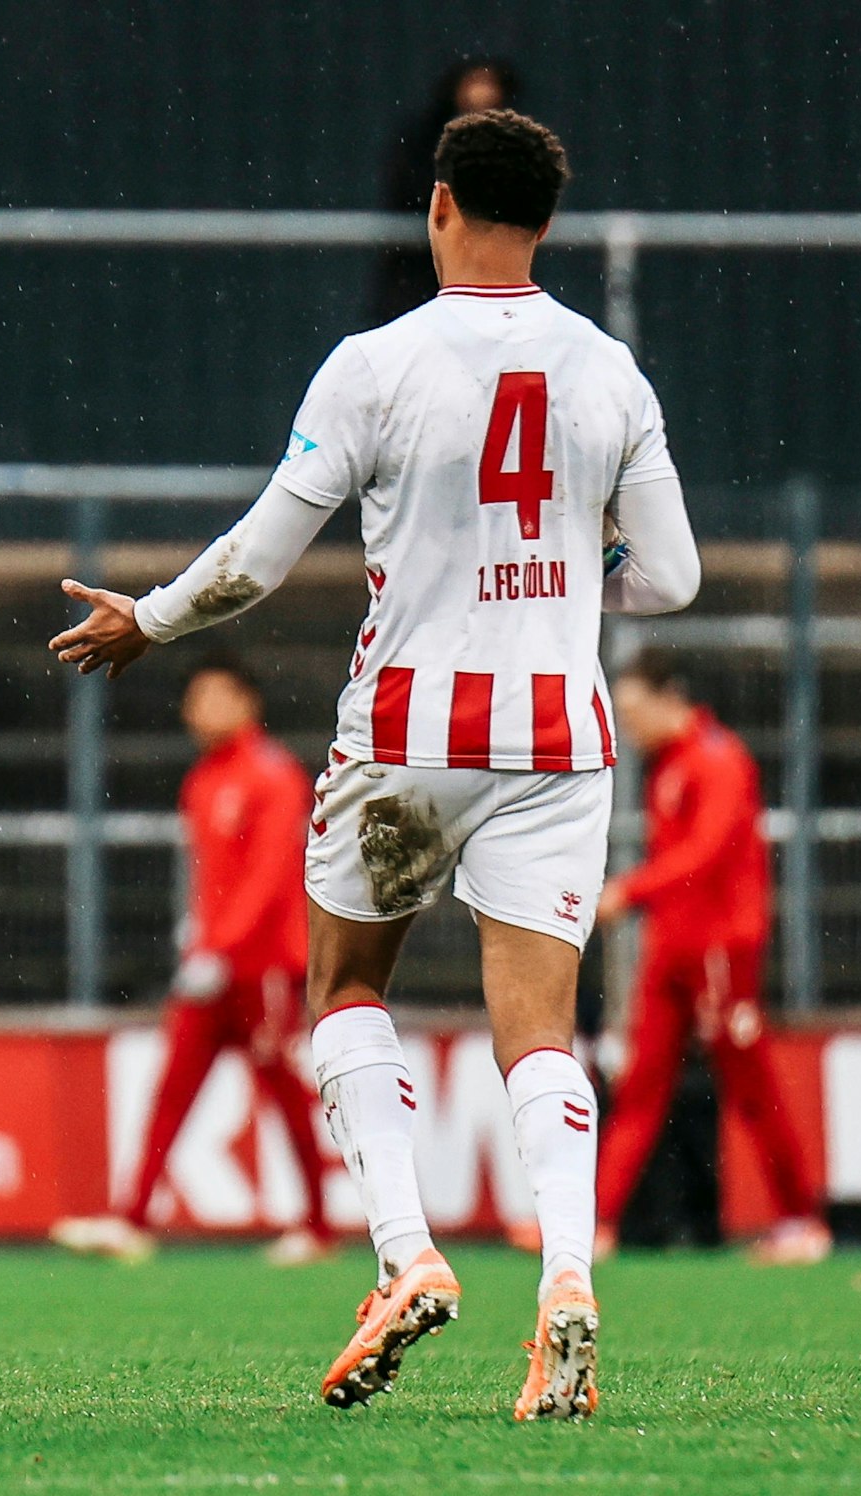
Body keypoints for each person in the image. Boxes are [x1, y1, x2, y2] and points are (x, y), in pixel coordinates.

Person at [49, 110, 700, 1420]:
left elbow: (258, 558)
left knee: (345, 983)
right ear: (551, 224)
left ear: (440, 206)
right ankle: (566, 1279)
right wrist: (573, 585)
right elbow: (673, 580)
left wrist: (151, 619)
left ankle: (405, 1256)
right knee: (543, 1030)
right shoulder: (611, 373)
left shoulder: (377, 364)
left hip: (409, 736)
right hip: (558, 738)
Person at [50, 653, 332, 1265]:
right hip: (213, 965)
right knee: (172, 1088)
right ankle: (131, 1219)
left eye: (213, 697)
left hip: (263, 966)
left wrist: (222, 948)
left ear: (245, 702)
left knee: (284, 1091)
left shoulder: (273, 775)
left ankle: (316, 1226)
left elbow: (267, 878)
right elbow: (212, 878)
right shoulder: (203, 781)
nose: (197, 712)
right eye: (193, 698)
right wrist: (198, 936)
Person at [595, 649, 830, 1264]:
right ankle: (594, 1226)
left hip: (720, 950)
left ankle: (801, 1219)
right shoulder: (667, 764)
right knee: (639, 1089)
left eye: (635, 711)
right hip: (670, 949)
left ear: (670, 699)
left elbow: (704, 855)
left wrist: (630, 891)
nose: (630, 726)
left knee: (751, 1086)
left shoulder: (720, 760)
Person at [371, 58, 520, 326]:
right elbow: (411, 188)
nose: (481, 93)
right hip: (419, 269)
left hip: (491, 273)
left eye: (489, 83)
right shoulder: (423, 140)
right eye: (474, 82)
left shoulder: (517, 141)